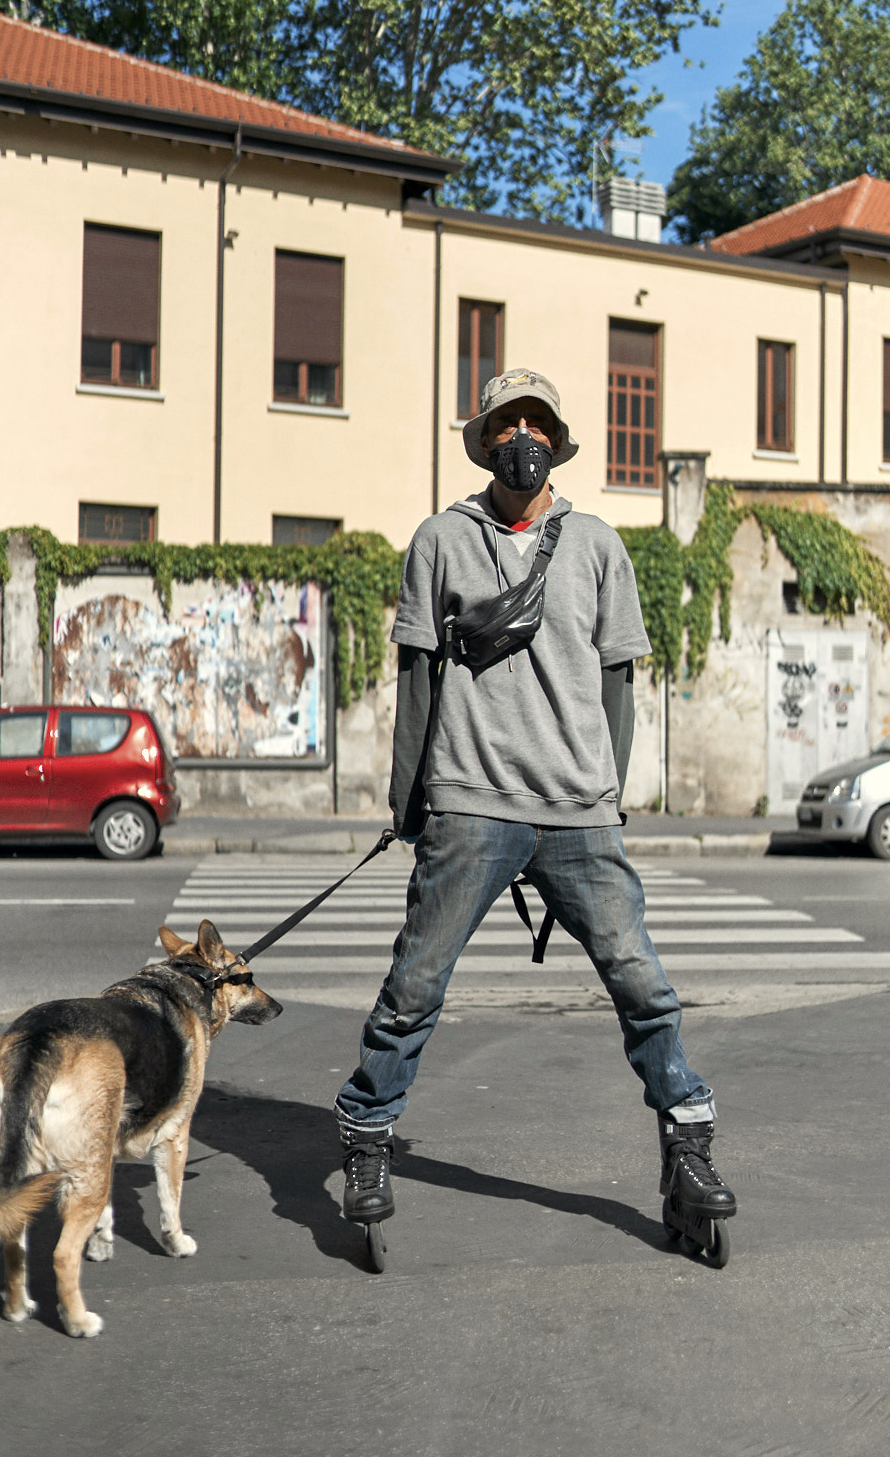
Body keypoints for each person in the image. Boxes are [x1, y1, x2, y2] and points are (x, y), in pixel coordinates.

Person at [332, 368, 736, 1242]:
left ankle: (689, 1142)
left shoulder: (595, 544)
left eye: (537, 423)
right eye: (508, 423)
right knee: (414, 984)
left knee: (642, 984)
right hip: (470, 804)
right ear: (485, 439)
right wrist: (409, 805)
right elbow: (415, 683)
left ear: (556, 438)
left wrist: (609, 795)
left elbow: (619, 683)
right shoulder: (442, 540)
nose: (524, 436)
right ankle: (366, 1139)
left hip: (579, 811)